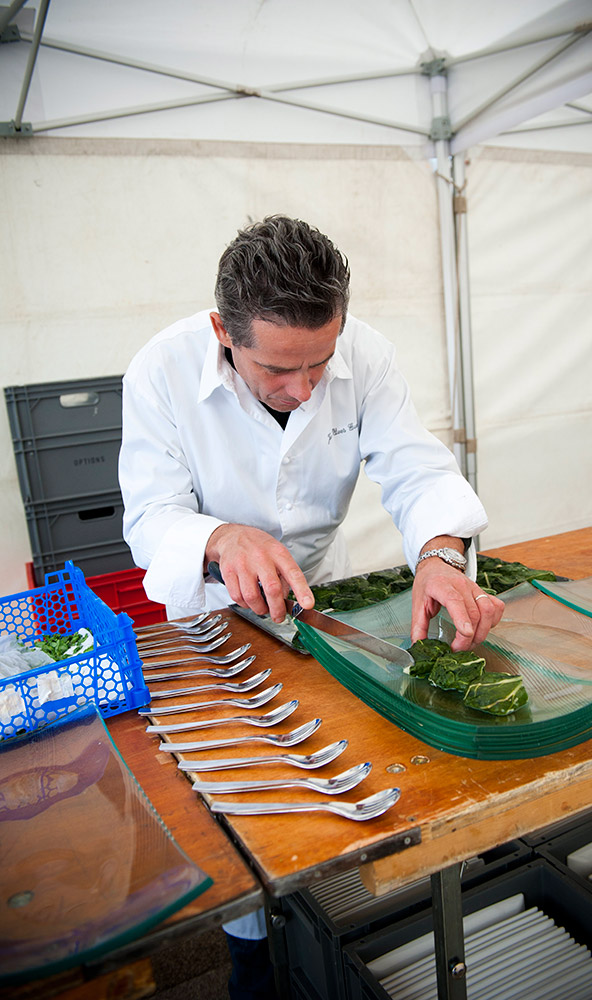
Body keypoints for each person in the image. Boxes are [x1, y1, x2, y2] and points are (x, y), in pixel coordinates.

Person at [118, 215, 504, 998]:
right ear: (224, 328)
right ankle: (250, 955)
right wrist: (221, 536)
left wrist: (437, 553)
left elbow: (414, 470)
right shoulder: (158, 370)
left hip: (317, 592)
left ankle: (348, 913)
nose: (302, 389)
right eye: (277, 371)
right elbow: (148, 516)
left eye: (319, 366)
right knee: (245, 799)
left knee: (336, 760)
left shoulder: (365, 351)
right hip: (208, 607)